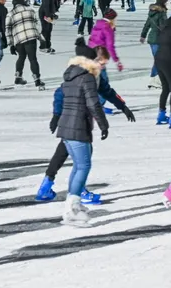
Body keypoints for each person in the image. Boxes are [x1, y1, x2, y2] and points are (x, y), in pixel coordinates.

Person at [55, 43, 109, 226]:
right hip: (77, 128)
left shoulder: (70, 76)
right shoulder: (86, 78)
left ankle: (73, 204)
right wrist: (104, 124)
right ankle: (72, 210)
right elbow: (93, 104)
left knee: (78, 166)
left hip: (66, 127)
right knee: (84, 166)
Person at [140, 0, 167, 90]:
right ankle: (154, 80)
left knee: (158, 60)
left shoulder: (152, 12)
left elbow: (147, 25)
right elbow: (163, 26)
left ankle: (155, 80)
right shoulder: (161, 13)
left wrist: (143, 35)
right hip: (158, 39)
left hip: (152, 39)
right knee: (159, 60)